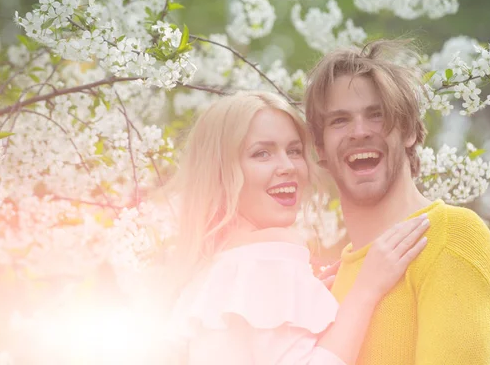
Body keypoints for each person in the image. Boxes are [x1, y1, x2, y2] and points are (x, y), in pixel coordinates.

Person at [164, 90, 430, 364]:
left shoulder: (214, 273)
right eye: (262, 153)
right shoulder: (268, 256)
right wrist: (365, 290)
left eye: (294, 151)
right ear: (220, 171)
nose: (288, 166)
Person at [304, 40, 490, 364]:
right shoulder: (332, 285)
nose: (359, 131)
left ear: (409, 130)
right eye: (339, 121)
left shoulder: (451, 237)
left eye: (377, 115)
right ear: (321, 149)